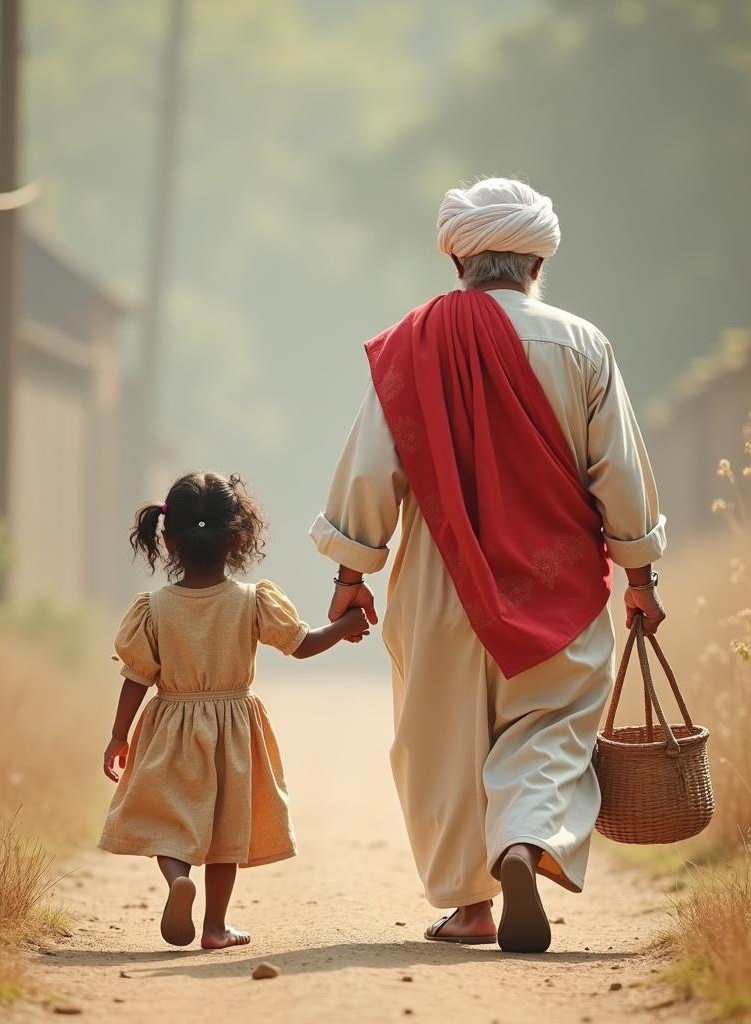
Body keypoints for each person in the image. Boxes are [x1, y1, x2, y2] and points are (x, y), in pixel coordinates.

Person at [310, 177, 666, 952]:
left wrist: (351, 573)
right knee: (551, 723)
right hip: (558, 580)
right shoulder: (582, 343)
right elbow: (620, 473)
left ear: (459, 261)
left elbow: (375, 468)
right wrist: (639, 575)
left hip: (440, 582)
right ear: (538, 260)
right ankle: (522, 842)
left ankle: (469, 909)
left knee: (443, 738)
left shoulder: (412, 341)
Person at [99, 471, 369, 949]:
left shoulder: (153, 608)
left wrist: (119, 735)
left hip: (170, 724)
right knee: (225, 827)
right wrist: (347, 623)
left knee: (168, 818)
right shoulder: (252, 600)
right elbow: (302, 645)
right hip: (232, 728)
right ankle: (215, 927)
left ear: (167, 538)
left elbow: (136, 676)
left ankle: (177, 880)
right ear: (240, 536)